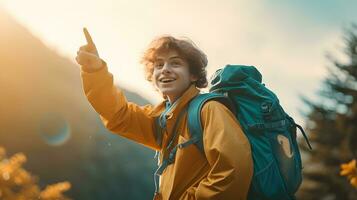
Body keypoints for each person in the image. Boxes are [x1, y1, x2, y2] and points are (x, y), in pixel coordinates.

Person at [76, 27, 253, 200]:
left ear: (193, 75)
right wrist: (95, 71)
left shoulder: (210, 109)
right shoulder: (164, 118)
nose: (165, 69)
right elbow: (119, 115)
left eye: (175, 63)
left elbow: (235, 170)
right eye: (159, 65)